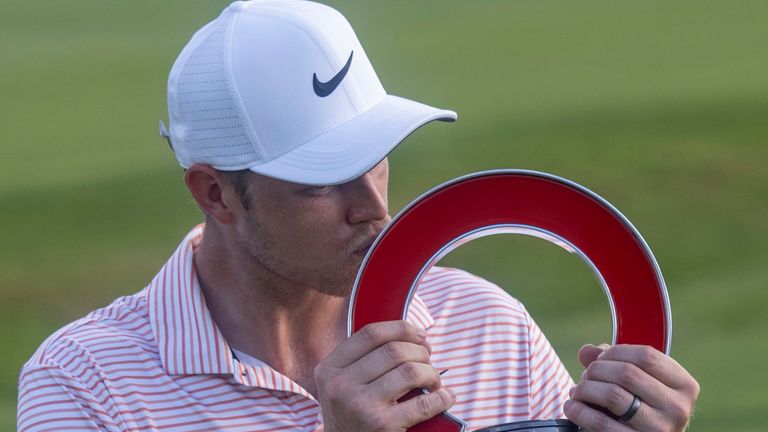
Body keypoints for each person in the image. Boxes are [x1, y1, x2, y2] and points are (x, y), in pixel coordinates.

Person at [17, 1, 699, 431]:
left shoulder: (487, 324)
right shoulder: (85, 385)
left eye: (376, 158)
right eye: (320, 184)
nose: (373, 208)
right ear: (215, 193)